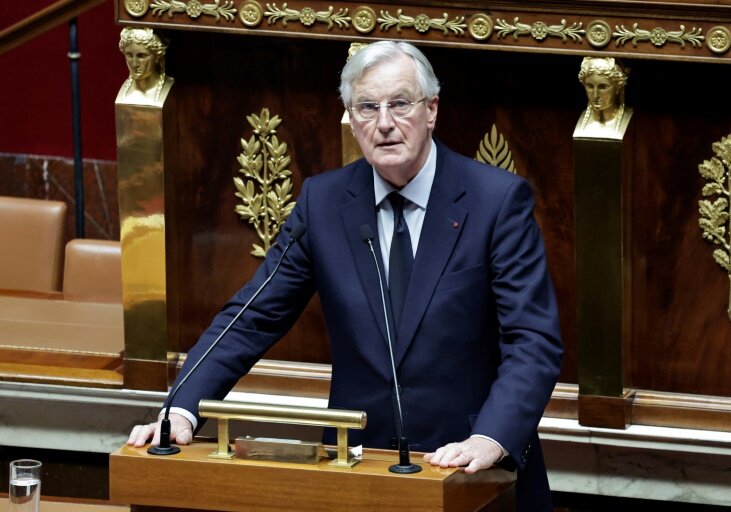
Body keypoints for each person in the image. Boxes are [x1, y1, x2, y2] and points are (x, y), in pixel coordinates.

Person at [128, 41, 563, 511]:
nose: (384, 123)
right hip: (359, 471)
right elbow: (250, 318)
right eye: (367, 107)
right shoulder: (324, 203)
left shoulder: (495, 201)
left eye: (399, 104)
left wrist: (491, 438)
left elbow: (533, 341)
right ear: (351, 120)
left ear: (432, 109)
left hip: (477, 473)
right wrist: (183, 405)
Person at [576, 57, 630, 137]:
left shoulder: (634, 121)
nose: (595, 95)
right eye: (590, 86)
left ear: (618, 87)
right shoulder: (574, 119)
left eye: (603, 87)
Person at [117, 27, 171, 105]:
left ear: (157, 56)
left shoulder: (169, 87)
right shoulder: (124, 93)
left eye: (141, 56)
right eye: (129, 55)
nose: (135, 64)